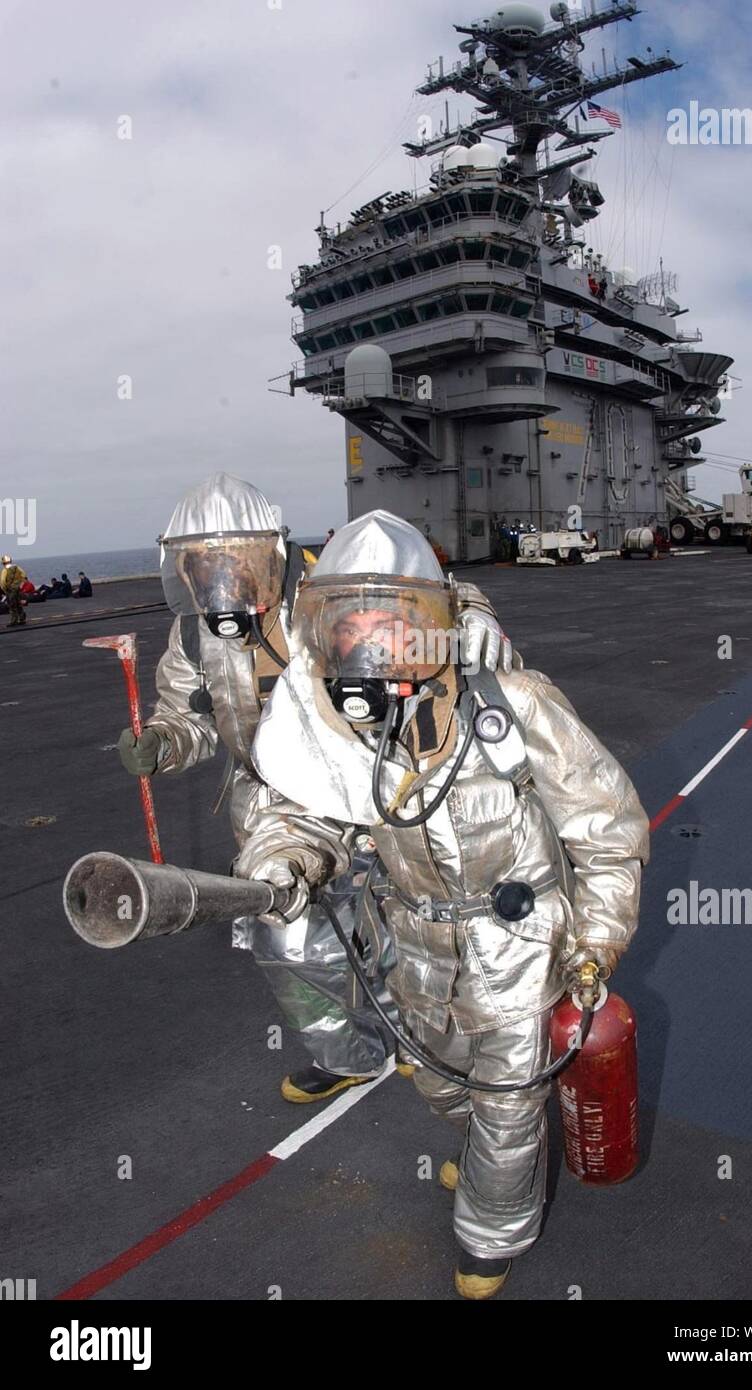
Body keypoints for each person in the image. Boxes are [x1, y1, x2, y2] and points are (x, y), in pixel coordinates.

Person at [234, 510, 649, 1299]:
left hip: (522, 946)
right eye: (348, 628)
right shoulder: (335, 729)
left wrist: (594, 941)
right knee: (439, 1082)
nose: (366, 647)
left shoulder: (513, 706)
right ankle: (492, 1155)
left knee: (507, 1102)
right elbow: (301, 812)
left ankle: (490, 1235)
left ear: (426, 628)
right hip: (416, 950)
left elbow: (607, 828)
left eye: (386, 626)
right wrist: (284, 861)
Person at [117, 474, 512, 1104]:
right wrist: (164, 741)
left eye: (235, 561)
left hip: (375, 782)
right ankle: (346, 1052)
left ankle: (417, 1032)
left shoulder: (327, 590)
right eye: (203, 564)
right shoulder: (194, 638)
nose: (223, 578)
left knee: (400, 919)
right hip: (277, 801)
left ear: (268, 555)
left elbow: (421, 590)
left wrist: (478, 610)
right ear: (184, 569)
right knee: (288, 935)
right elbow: (190, 717)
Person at [1, 555, 27, 626]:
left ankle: (14, 621)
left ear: (3, 563)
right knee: (18, 604)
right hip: (17, 589)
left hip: (10, 590)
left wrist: (4, 590)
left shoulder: (4, 570)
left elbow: (3, 582)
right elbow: (24, 575)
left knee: (12, 606)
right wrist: (20, 584)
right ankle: (22, 619)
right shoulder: (17, 568)